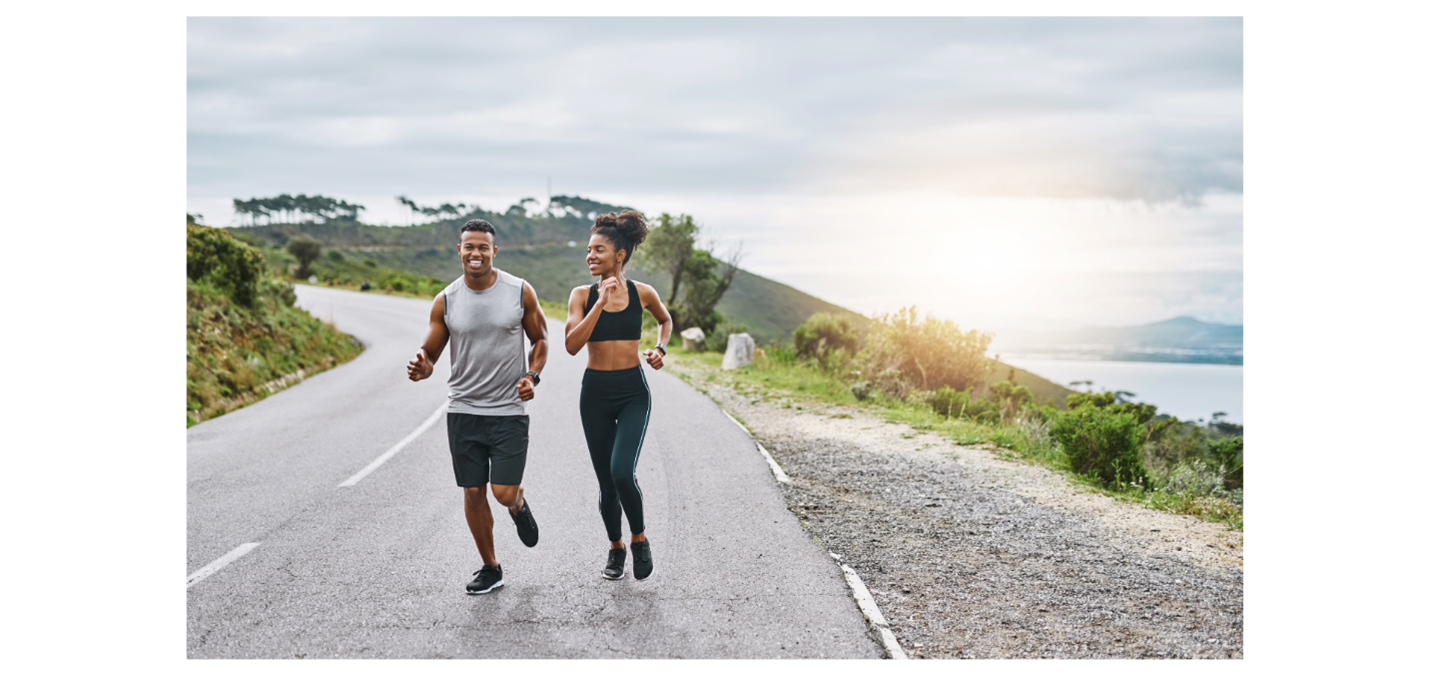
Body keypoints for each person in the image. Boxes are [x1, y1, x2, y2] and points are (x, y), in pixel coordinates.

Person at [408, 219, 547, 595]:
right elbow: (431, 351)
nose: (476, 253)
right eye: (469, 246)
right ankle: (491, 567)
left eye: (483, 247)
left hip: (507, 410)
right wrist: (423, 366)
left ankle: (517, 504)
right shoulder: (447, 299)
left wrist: (532, 376)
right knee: (473, 491)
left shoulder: (519, 291)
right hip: (464, 410)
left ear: (494, 252)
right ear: (459, 250)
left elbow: (541, 340)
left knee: (502, 492)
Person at [564, 210, 673, 581]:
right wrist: (598, 303)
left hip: (632, 392)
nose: (590, 256)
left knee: (622, 472)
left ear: (620, 255)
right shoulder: (581, 295)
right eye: (589, 250)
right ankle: (616, 548)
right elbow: (571, 345)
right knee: (607, 485)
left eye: (598, 250)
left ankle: (639, 539)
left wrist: (661, 349)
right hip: (594, 393)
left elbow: (665, 320)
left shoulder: (643, 293)